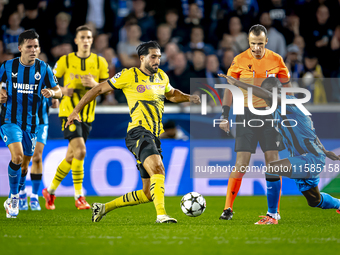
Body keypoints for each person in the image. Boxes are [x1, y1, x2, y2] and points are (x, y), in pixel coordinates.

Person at [65, 41, 200, 223]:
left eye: (159, 57)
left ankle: (103, 207)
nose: (157, 61)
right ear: (142, 58)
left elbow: (171, 93)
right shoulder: (129, 75)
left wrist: (188, 97)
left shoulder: (162, 76)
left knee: (147, 193)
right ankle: (161, 215)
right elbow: (98, 89)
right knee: (158, 168)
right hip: (138, 132)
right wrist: (76, 110)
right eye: (153, 57)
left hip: (154, 135)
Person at [220, 75, 340, 223]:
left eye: (270, 92)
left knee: (272, 168)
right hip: (307, 157)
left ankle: (272, 216)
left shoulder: (288, 102)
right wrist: (326, 151)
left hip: (310, 158)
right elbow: (310, 131)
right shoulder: (275, 112)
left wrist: (238, 83)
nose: (267, 96)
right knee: (314, 200)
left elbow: (270, 96)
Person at [219, 24, 291, 224]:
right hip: (246, 115)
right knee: (241, 163)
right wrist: (225, 115)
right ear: (248, 42)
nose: (257, 48)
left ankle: (273, 213)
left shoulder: (276, 59)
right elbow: (229, 87)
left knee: (273, 162)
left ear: (266, 42)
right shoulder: (239, 60)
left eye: (260, 44)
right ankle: (227, 208)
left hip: (270, 116)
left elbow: (287, 87)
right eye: (253, 44)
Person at [42, 25, 109, 210]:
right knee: (80, 151)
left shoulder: (100, 62)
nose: (86, 40)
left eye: (89, 37)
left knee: (71, 157)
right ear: (76, 40)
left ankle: (50, 191)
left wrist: (96, 84)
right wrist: (63, 90)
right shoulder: (65, 60)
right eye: (82, 37)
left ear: (92, 40)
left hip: (88, 115)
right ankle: (79, 196)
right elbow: (50, 83)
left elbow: (107, 89)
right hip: (69, 113)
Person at [0, 29, 62, 218]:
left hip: (32, 124)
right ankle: (13, 198)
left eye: (36, 46)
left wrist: (52, 93)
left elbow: (59, 90)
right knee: (17, 157)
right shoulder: (6, 66)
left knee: (25, 164)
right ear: (20, 48)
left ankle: (21, 192)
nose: (33, 50)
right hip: (10, 120)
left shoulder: (44, 68)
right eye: (29, 47)